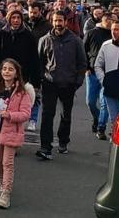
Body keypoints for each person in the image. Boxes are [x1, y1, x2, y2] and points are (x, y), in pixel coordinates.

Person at [0, 59, 33, 210]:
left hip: (11, 131)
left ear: (16, 73)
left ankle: (6, 194)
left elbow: (25, 114)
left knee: (7, 162)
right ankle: (1, 182)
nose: (7, 72)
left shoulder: (22, 93)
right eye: (4, 69)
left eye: (10, 69)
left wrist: (9, 115)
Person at [36, 11, 87, 160]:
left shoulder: (75, 41)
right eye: (55, 21)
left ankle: (63, 141)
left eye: (60, 21)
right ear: (51, 22)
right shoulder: (45, 40)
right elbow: (39, 62)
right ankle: (45, 147)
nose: (57, 23)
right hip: (50, 82)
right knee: (47, 115)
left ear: (65, 22)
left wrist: (77, 81)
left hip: (69, 84)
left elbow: (82, 63)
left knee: (66, 115)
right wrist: (41, 80)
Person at [0, 9, 41, 96]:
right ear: (8, 19)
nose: (16, 20)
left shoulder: (29, 36)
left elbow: (34, 60)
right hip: (2, 77)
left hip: (22, 77)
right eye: (13, 18)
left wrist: (35, 83)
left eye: (18, 18)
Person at [84, 13, 112, 139]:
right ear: (104, 20)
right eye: (110, 20)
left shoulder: (114, 35)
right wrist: (86, 67)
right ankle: (97, 117)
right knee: (90, 102)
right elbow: (83, 50)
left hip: (108, 74)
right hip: (92, 72)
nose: (112, 23)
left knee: (104, 102)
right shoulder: (91, 33)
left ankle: (101, 127)